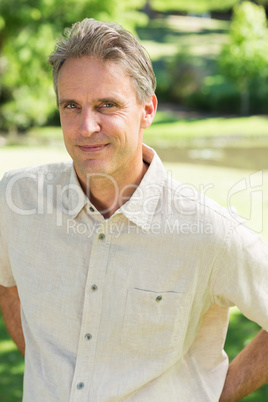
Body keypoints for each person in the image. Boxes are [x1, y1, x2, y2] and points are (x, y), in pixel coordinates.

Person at [0, 18, 268, 402]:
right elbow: (6, 280)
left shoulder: (209, 231)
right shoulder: (17, 200)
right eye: (70, 106)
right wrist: (49, 370)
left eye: (106, 105)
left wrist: (215, 394)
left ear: (147, 110)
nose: (85, 126)